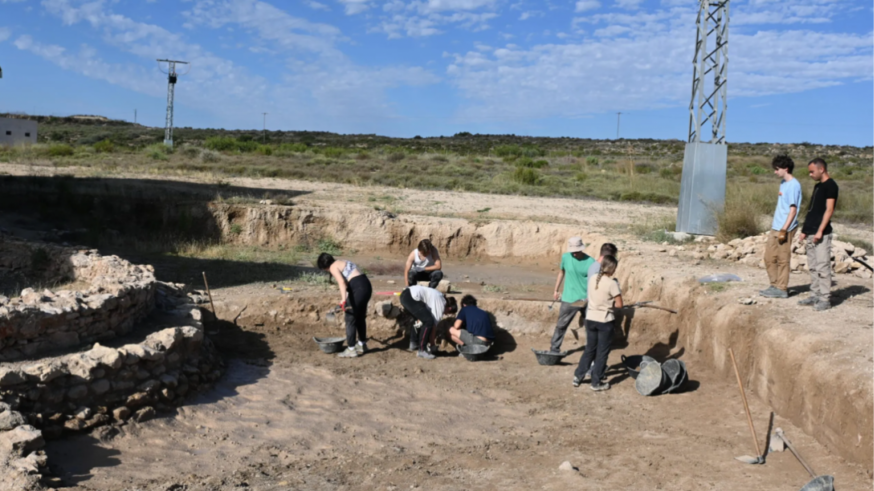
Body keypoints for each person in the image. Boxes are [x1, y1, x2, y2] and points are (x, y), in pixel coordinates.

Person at [573, 255, 622, 391]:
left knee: (590, 349)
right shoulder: (612, 284)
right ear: (612, 268)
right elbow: (619, 305)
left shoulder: (593, 279)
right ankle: (596, 382)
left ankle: (578, 376)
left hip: (590, 319)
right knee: (602, 352)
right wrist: (610, 302)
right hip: (605, 321)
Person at [798, 158, 839, 311]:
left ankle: (825, 298)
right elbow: (812, 210)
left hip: (821, 233)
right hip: (811, 232)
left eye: (812, 171)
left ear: (821, 169)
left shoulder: (831, 186)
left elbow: (829, 210)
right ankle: (815, 294)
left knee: (822, 266)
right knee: (813, 266)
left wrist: (820, 230)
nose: (810, 174)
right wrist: (805, 230)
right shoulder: (817, 187)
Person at [760, 155, 802, 299]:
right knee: (769, 257)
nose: (775, 172)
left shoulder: (794, 185)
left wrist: (784, 229)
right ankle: (774, 285)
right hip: (775, 226)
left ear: (786, 168)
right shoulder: (783, 183)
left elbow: (793, 210)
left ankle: (782, 288)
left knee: (783, 259)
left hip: (785, 228)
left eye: (777, 169)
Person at [318, 253, 373, 358]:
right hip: (366, 286)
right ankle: (362, 345)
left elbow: (342, 283)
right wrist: (346, 298)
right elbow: (350, 283)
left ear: (324, 266)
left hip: (359, 289)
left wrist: (343, 300)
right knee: (360, 317)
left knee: (350, 318)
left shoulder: (333, 267)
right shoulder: (343, 262)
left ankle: (351, 349)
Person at [548, 237, 596, 353]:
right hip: (569, 299)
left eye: (576, 251)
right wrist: (556, 290)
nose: (574, 254)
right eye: (572, 251)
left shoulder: (591, 262)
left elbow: (594, 282)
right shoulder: (565, 257)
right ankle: (554, 349)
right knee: (561, 325)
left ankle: (592, 350)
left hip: (586, 299)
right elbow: (561, 272)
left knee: (590, 327)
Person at [399, 284, 457, 360]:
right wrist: (433, 345)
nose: (445, 314)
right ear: (449, 308)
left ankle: (413, 343)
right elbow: (433, 327)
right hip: (410, 297)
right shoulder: (441, 304)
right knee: (428, 321)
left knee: (419, 318)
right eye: (448, 313)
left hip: (406, 294)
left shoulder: (439, 297)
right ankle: (422, 350)